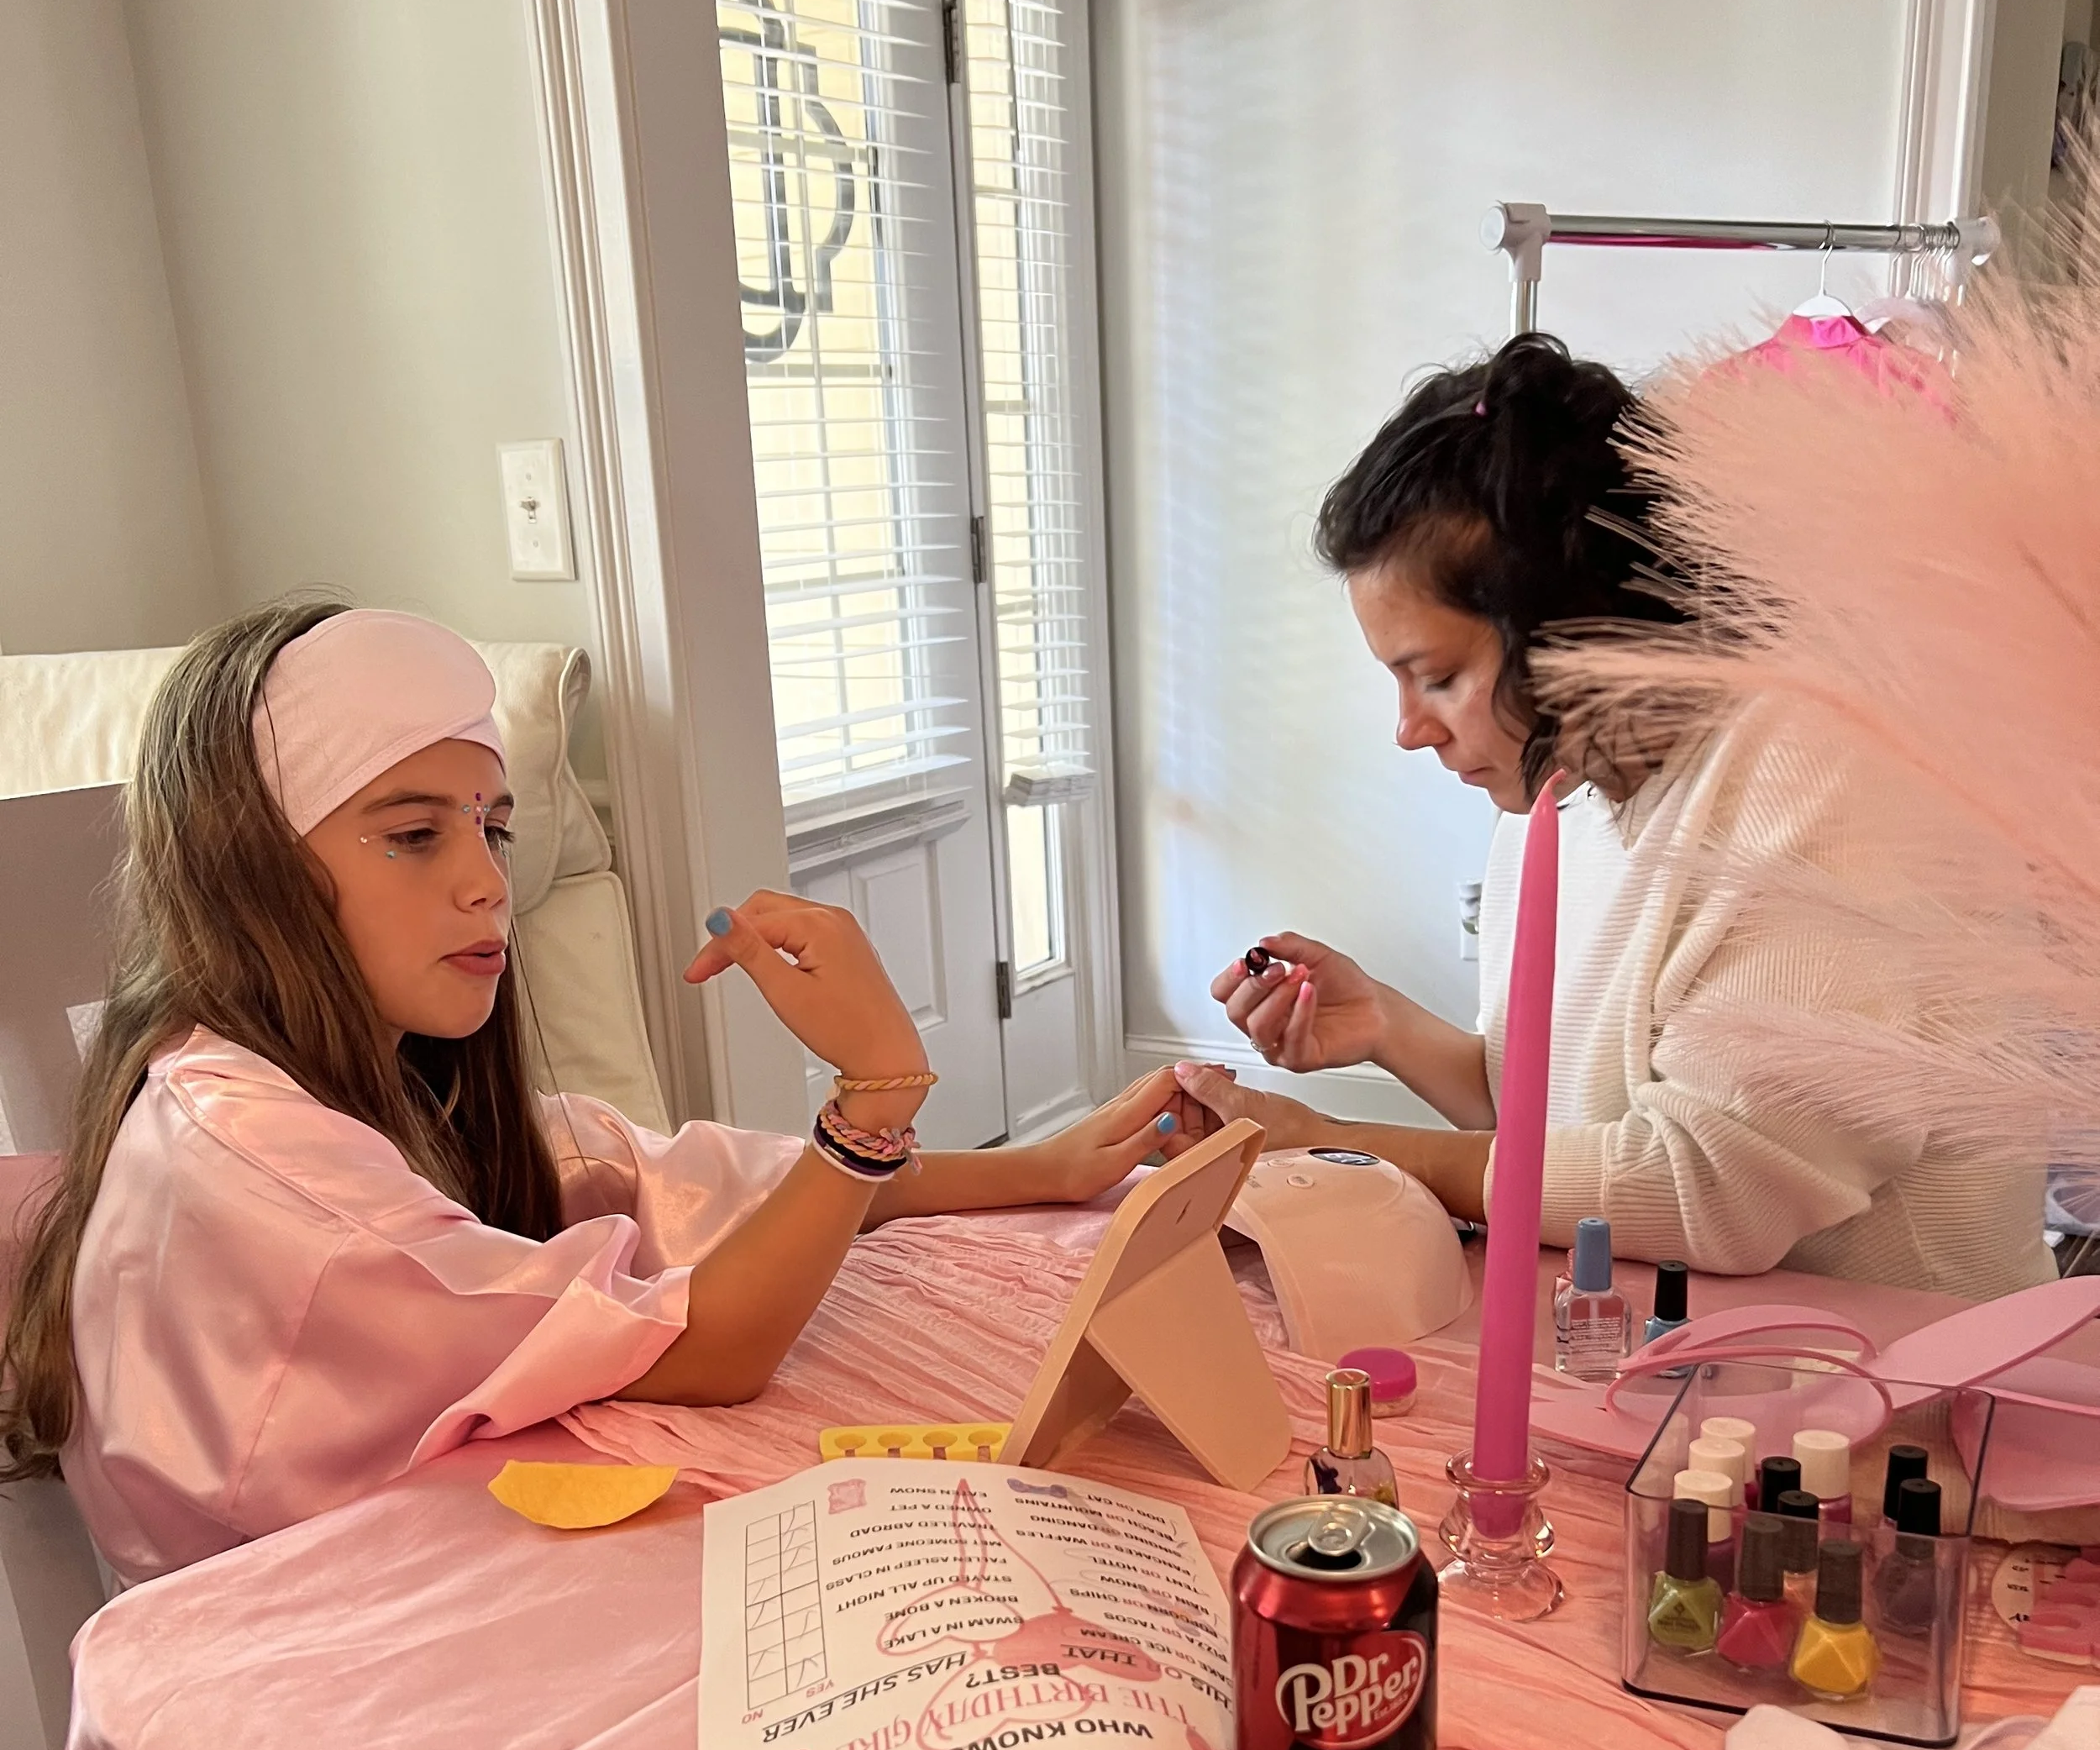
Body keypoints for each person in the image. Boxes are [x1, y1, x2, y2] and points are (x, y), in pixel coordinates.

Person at [0, 602, 1187, 1582]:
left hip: (427, 1577)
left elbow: (689, 1181)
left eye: (493, 831)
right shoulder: (258, 1164)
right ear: (247, 866)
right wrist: (869, 1099)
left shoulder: (367, 1083)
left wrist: (1043, 1167)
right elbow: (711, 1345)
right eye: (415, 835)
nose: (485, 885)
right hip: (297, 1666)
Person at [1184, 334, 2050, 1301]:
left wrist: (1341, 1148)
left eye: (1438, 676)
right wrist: (1381, 1021)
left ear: (1569, 628)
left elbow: (1709, 1190)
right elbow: (1553, 1124)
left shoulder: (1828, 776)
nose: (1408, 730)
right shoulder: (1563, 789)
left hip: (1914, 1391)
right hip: (1686, 1361)